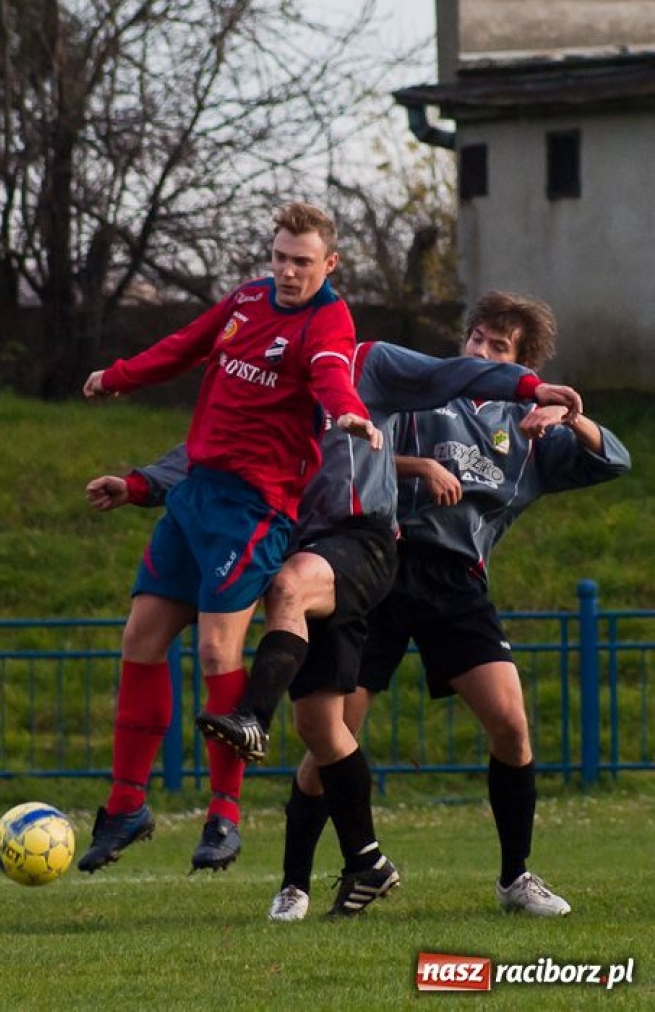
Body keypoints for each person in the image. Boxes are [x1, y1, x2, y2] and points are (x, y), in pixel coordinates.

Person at [89, 330, 584, 916]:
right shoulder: (266, 373)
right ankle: (348, 866)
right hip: (308, 542)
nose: (292, 295)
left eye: (304, 271)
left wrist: (537, 392)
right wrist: (144, 483)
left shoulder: (373, 364)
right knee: (324, 728)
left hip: (372, 549)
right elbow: (214, 453)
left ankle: (251, 724)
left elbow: (460, 376)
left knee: (291, 588)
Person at [264, 290, 631, 921]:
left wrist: (567, 418)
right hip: (383, 562)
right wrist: (417, 466)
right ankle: (294, 882)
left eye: (499, 346)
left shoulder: (531, 431)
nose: (482, 351)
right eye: (478, 339)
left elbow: (614, 460)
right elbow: (358, 441)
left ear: (522, 362)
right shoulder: (422, 390)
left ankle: (515, 879)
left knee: (510, 724)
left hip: (457, 583)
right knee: (334, 731)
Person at [77, 202, 383, 875]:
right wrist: (119, 376)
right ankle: (126, 806)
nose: (287, 270)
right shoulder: (246, 300)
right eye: (279, 256)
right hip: (195, 496)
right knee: (140, 638)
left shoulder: (327, 319)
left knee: (218, 650)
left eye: (301, 261)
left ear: (328, 264)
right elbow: (184, 345)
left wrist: (350, 415)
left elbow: (333, 374)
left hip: (254, 508)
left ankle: (224, 816)